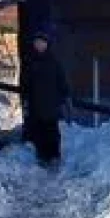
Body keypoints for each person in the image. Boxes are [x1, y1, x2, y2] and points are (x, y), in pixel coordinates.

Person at [20, 30, 69, 165]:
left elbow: (61, 80)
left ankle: (54, 156)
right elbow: (24, 83)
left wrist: (65, 95)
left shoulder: (54, 62)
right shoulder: (29, 62)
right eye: (37, 43)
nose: (39, 45)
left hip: (51, 104)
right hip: (36, 104)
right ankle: (42, 156)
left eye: (42, 43)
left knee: (52, 131)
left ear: (47, 44)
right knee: (39, 132)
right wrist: (24, 100)